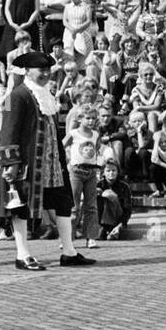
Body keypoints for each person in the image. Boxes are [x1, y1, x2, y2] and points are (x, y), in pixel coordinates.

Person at [0, 51, 94, 270]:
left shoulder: (46, 95)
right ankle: (22, 254)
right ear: (27, 71)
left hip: (53, 164)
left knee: (62, 204)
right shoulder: (16, 96)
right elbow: (8, 132)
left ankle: (69, 251)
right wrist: (10, 164)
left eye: (47, 70)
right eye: (40, 70)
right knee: (20, 206)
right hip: (28, 165)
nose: (45, 74)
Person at [63, 105, 103, 249]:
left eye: (93, 118)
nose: (91, 121)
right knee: (74, 207)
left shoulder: (96, 134)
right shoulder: (73, 133)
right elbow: (62, 146)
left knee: (91, 206)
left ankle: (91, 237)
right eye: (88, 118)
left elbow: (96, 149)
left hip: (91, 172)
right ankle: (68, 238)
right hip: (76, 171)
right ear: (80, 119)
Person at [97, 159, 132, 240]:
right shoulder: (98, 185)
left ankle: (110, 229)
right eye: (108, 170)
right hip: (101, 219)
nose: (111, 173)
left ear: (118, 172)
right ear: (103, 173)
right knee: (97, 194)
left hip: (117, 217)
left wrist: (120, 225)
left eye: (113, 170)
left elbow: (128, 209)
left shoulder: (124, 187)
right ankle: (103, 229)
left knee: (109, 194)